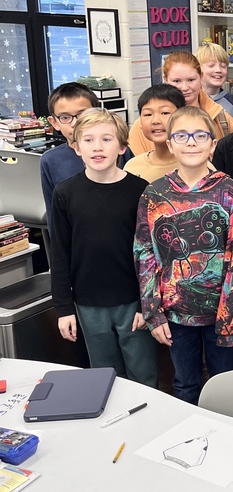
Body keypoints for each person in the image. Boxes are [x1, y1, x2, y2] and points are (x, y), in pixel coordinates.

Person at [134, 105, 233, 403]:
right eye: (181, 136)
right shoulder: (155, 194)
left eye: (200, 135)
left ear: (213, 144)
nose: (191, 142)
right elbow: (144, 254)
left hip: (222, 312)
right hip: (175, 314)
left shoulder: (228, 190)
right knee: (185, 385)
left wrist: (231, 316)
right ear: (170, 144)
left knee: (225, 387)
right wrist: (153, 312)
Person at [51, 109, 158, 386]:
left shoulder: (141, 191)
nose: (97, 147)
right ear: (76, 147)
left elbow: (152, 254)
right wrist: (64, 308)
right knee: (104, 377)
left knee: (143, 374)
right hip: (87, 302)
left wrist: (147, 303)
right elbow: (59, 253)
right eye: (88, 140)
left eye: (106, 139)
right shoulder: (64, 193)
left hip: (133, 300)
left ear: (122, 147)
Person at [128, 51, 233, 155]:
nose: (184, 88)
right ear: (165, 79)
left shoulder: (220, 117)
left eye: (191, 80)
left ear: (201, 76)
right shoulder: (145, 125)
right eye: (177, 81)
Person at [41, 82, 100, 224]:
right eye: (65, 117)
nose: (75, 123)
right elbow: (53, 215)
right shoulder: (50, 160)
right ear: (54, 122)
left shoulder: (117, 151)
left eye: (82, 114)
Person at [124, 84, 186, 183]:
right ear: (140, 123)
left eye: (165, 113)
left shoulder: (197, 165)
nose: (155, 121)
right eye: (148, 114)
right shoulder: (132, 167)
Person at [196, 42, 233, 118]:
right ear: (198, 69)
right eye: (211, 65)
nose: (218, 70)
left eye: (223, 66)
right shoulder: (191, 99)